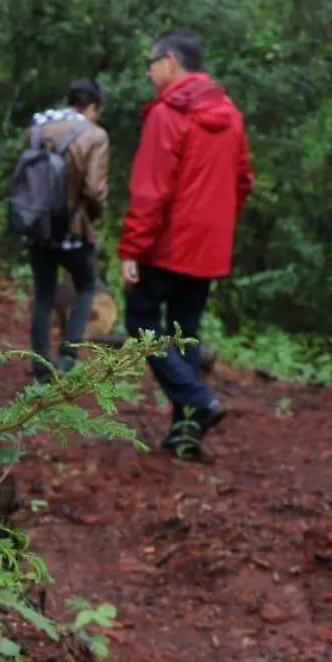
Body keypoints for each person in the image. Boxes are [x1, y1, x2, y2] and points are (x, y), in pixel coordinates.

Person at [119, 29, 254, 460]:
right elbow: (244, 179)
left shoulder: (168, 113)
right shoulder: (229, 113)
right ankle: (185, 438)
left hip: (169, 242)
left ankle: (197, 399)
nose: (149, 70)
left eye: (152, 62)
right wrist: (217, 222)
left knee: (141, 320)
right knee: (185, 333)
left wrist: (132, 248)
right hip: (209, 245)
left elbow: (151, 189)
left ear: (171, 62)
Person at [22, 79, 112, 383]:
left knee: (44, 294)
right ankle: (69, 357)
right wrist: (92, 218)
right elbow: (94, 190)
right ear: (93, 107)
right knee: (87, 285)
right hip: (73, 230)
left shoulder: (37, 127)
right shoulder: (95, 135)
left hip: (36, 226)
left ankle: (39, 368)